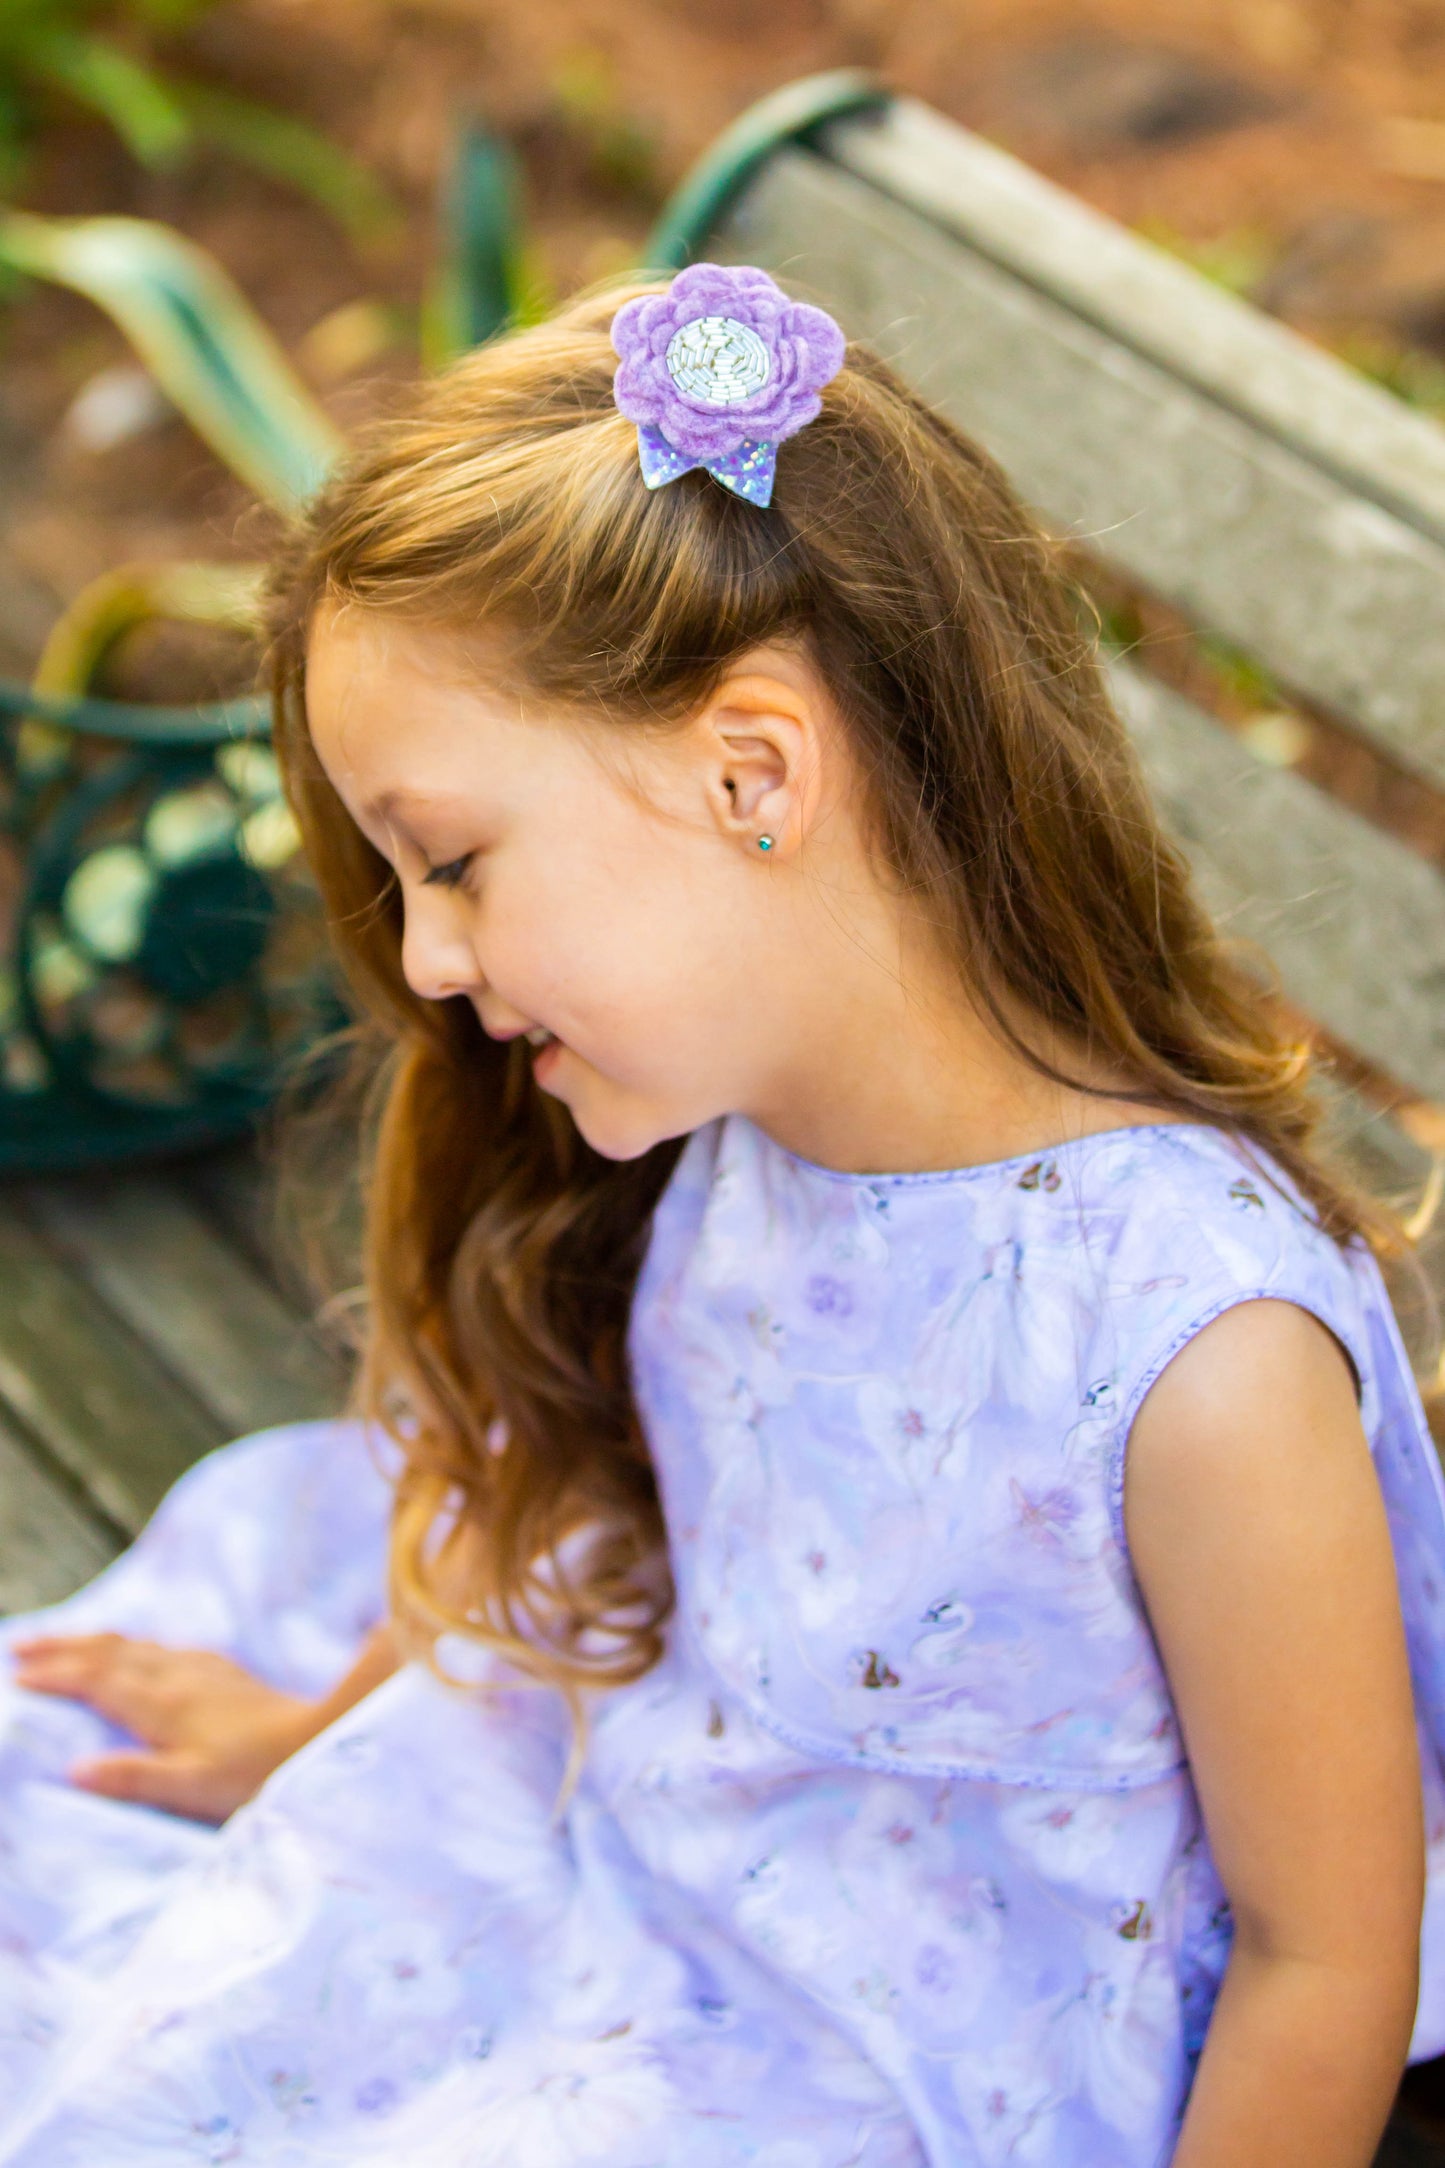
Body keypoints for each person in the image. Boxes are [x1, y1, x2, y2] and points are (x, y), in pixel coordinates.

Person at [1, 262, 1442, 2168]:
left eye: (450, 862)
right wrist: (309, 1743)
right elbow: (628, 1519)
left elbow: (1322, 1958)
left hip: (881, 2073)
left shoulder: (1196, 1361)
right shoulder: (742, 1146)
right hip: (633, 1878)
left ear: (751, 770)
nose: (424, 958)